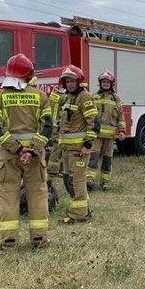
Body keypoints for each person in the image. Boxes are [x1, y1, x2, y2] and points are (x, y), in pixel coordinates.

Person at [0, 53, 53, 250]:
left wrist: (17, 149)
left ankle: (9, 240)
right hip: (34, 157)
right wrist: (31, 150)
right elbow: (48, 126)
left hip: (9, 157)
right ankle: (39, 239)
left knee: (8, 195)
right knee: (37, 195)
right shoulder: (40, 96)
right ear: (28, 74)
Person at [55, 65, 98, 223]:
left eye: (72, 81)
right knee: (67, 180)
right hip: (67, 149)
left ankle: (78, 215)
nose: (70, 84)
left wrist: (87, 145)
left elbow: (94, 122)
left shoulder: (84, 97)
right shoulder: (67, 98)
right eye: (67, 81)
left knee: (77, 181)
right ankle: (83, 210)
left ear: (79, 81)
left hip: (78, 149)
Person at [86, 70, 126, 191]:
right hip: (96, 135)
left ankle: (105, 182)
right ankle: (89, 181)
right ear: (100, 83)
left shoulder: (116, 99)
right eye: (103, 81)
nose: (105, 83)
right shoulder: (93, 97)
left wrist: (122, 130)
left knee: (107, 161)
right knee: (93, 158)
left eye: (107, 82)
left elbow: (121, 116)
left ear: (111, 83)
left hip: (110, 137)